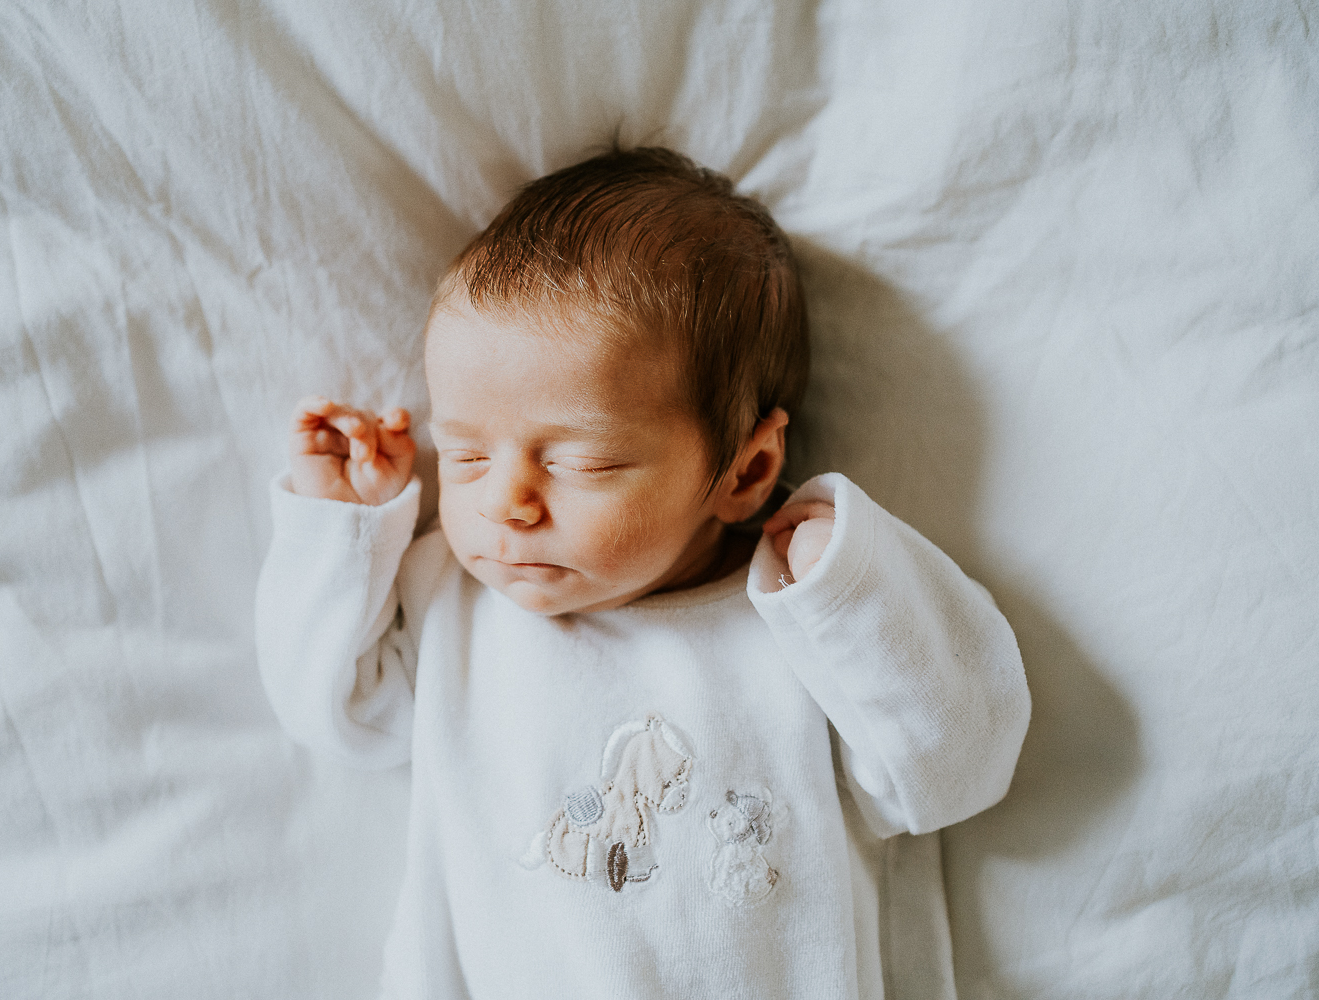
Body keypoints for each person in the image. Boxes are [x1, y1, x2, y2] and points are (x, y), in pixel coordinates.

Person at [256, 147, 1030, 999]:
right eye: (466, 454)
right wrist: (341, 531)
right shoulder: (452, 599)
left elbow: (959, 772)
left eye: (580, 462)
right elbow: (337, 712)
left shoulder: (796, 619)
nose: (506, 502)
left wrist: (855, 591)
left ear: (745, 471)